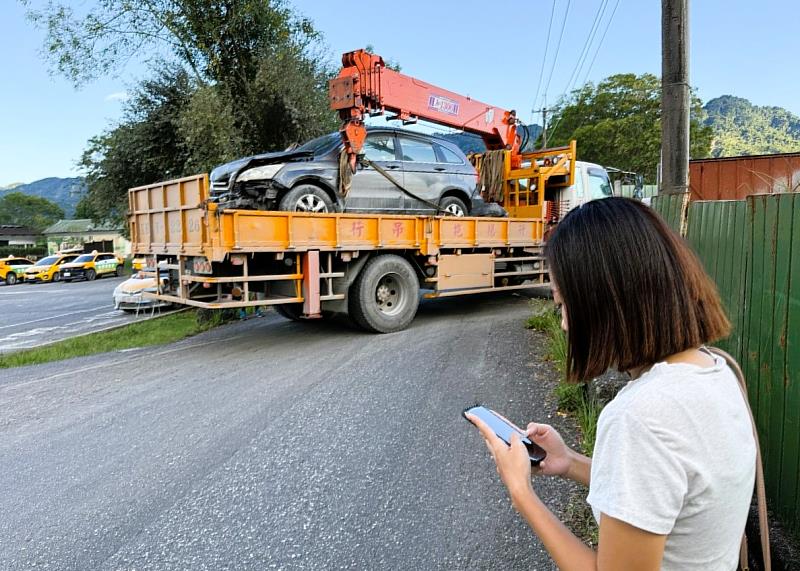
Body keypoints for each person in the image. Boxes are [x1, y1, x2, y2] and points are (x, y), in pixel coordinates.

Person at [466, 197, 756, 570]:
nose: (565, 324)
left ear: (603, 302)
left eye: (563, 305)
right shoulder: (714, 369)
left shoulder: (639, 417)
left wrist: (521, 492)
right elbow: (665, 493)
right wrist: (568, 461)